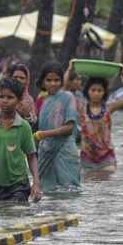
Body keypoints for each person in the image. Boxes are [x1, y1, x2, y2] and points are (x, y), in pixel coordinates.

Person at [76, 67, 123, 171]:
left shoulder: (108, 108)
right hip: (87, 157)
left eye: (100, 90)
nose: (96, 93)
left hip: (106, 157)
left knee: (108, 180)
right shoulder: (82, 108)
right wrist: (70, 68)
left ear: (104, 92)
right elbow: (64, 89)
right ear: (88, 91)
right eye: (93, 90)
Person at [35, 62, 81, 191]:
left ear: (61, 81)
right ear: (43, 82)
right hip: (46, 152)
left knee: (69, 190)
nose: (53, 83)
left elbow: (69, 127)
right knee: (46, 191)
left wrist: (45, 134)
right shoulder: (44, 101)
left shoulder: (68, 97)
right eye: (49, 80)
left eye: (57, 80)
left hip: (65, 151)